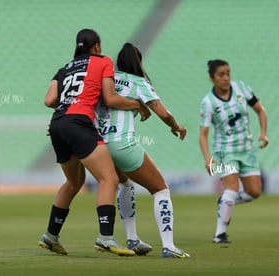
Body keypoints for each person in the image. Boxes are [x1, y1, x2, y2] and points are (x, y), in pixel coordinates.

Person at [38, 29, 150, 257]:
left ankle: (51, 235)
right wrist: (137, 104)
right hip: (79, 123)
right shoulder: (102, 61)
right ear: (97, 46)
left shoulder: (64, 68)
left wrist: (70, 102)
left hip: (58, 124)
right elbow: (110, 98)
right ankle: (106, 237)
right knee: (109, 178)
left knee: (73, 182)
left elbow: (49, 100)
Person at [95, 43, 190, 258]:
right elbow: (162, 112)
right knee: (160, 189)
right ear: (138, 62)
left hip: (99, 146)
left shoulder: (106, 81)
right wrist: (176, 126)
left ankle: (133, 239)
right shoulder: (138, 82)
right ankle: (169, 246)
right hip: (122, 144)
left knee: (125, 183)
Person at [198, 59, 268, 243]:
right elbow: (203, 134)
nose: (226, 78)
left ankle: (225, 203)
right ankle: (219, 234)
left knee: (254, 192)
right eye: (221, 74)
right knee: (232, 188)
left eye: (228, 73)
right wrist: (208, 159)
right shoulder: (208, 102)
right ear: (211, 77)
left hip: (247, 149)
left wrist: (263, 134)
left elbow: (260, 110)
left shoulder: (241, 88)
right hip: (224, 151)